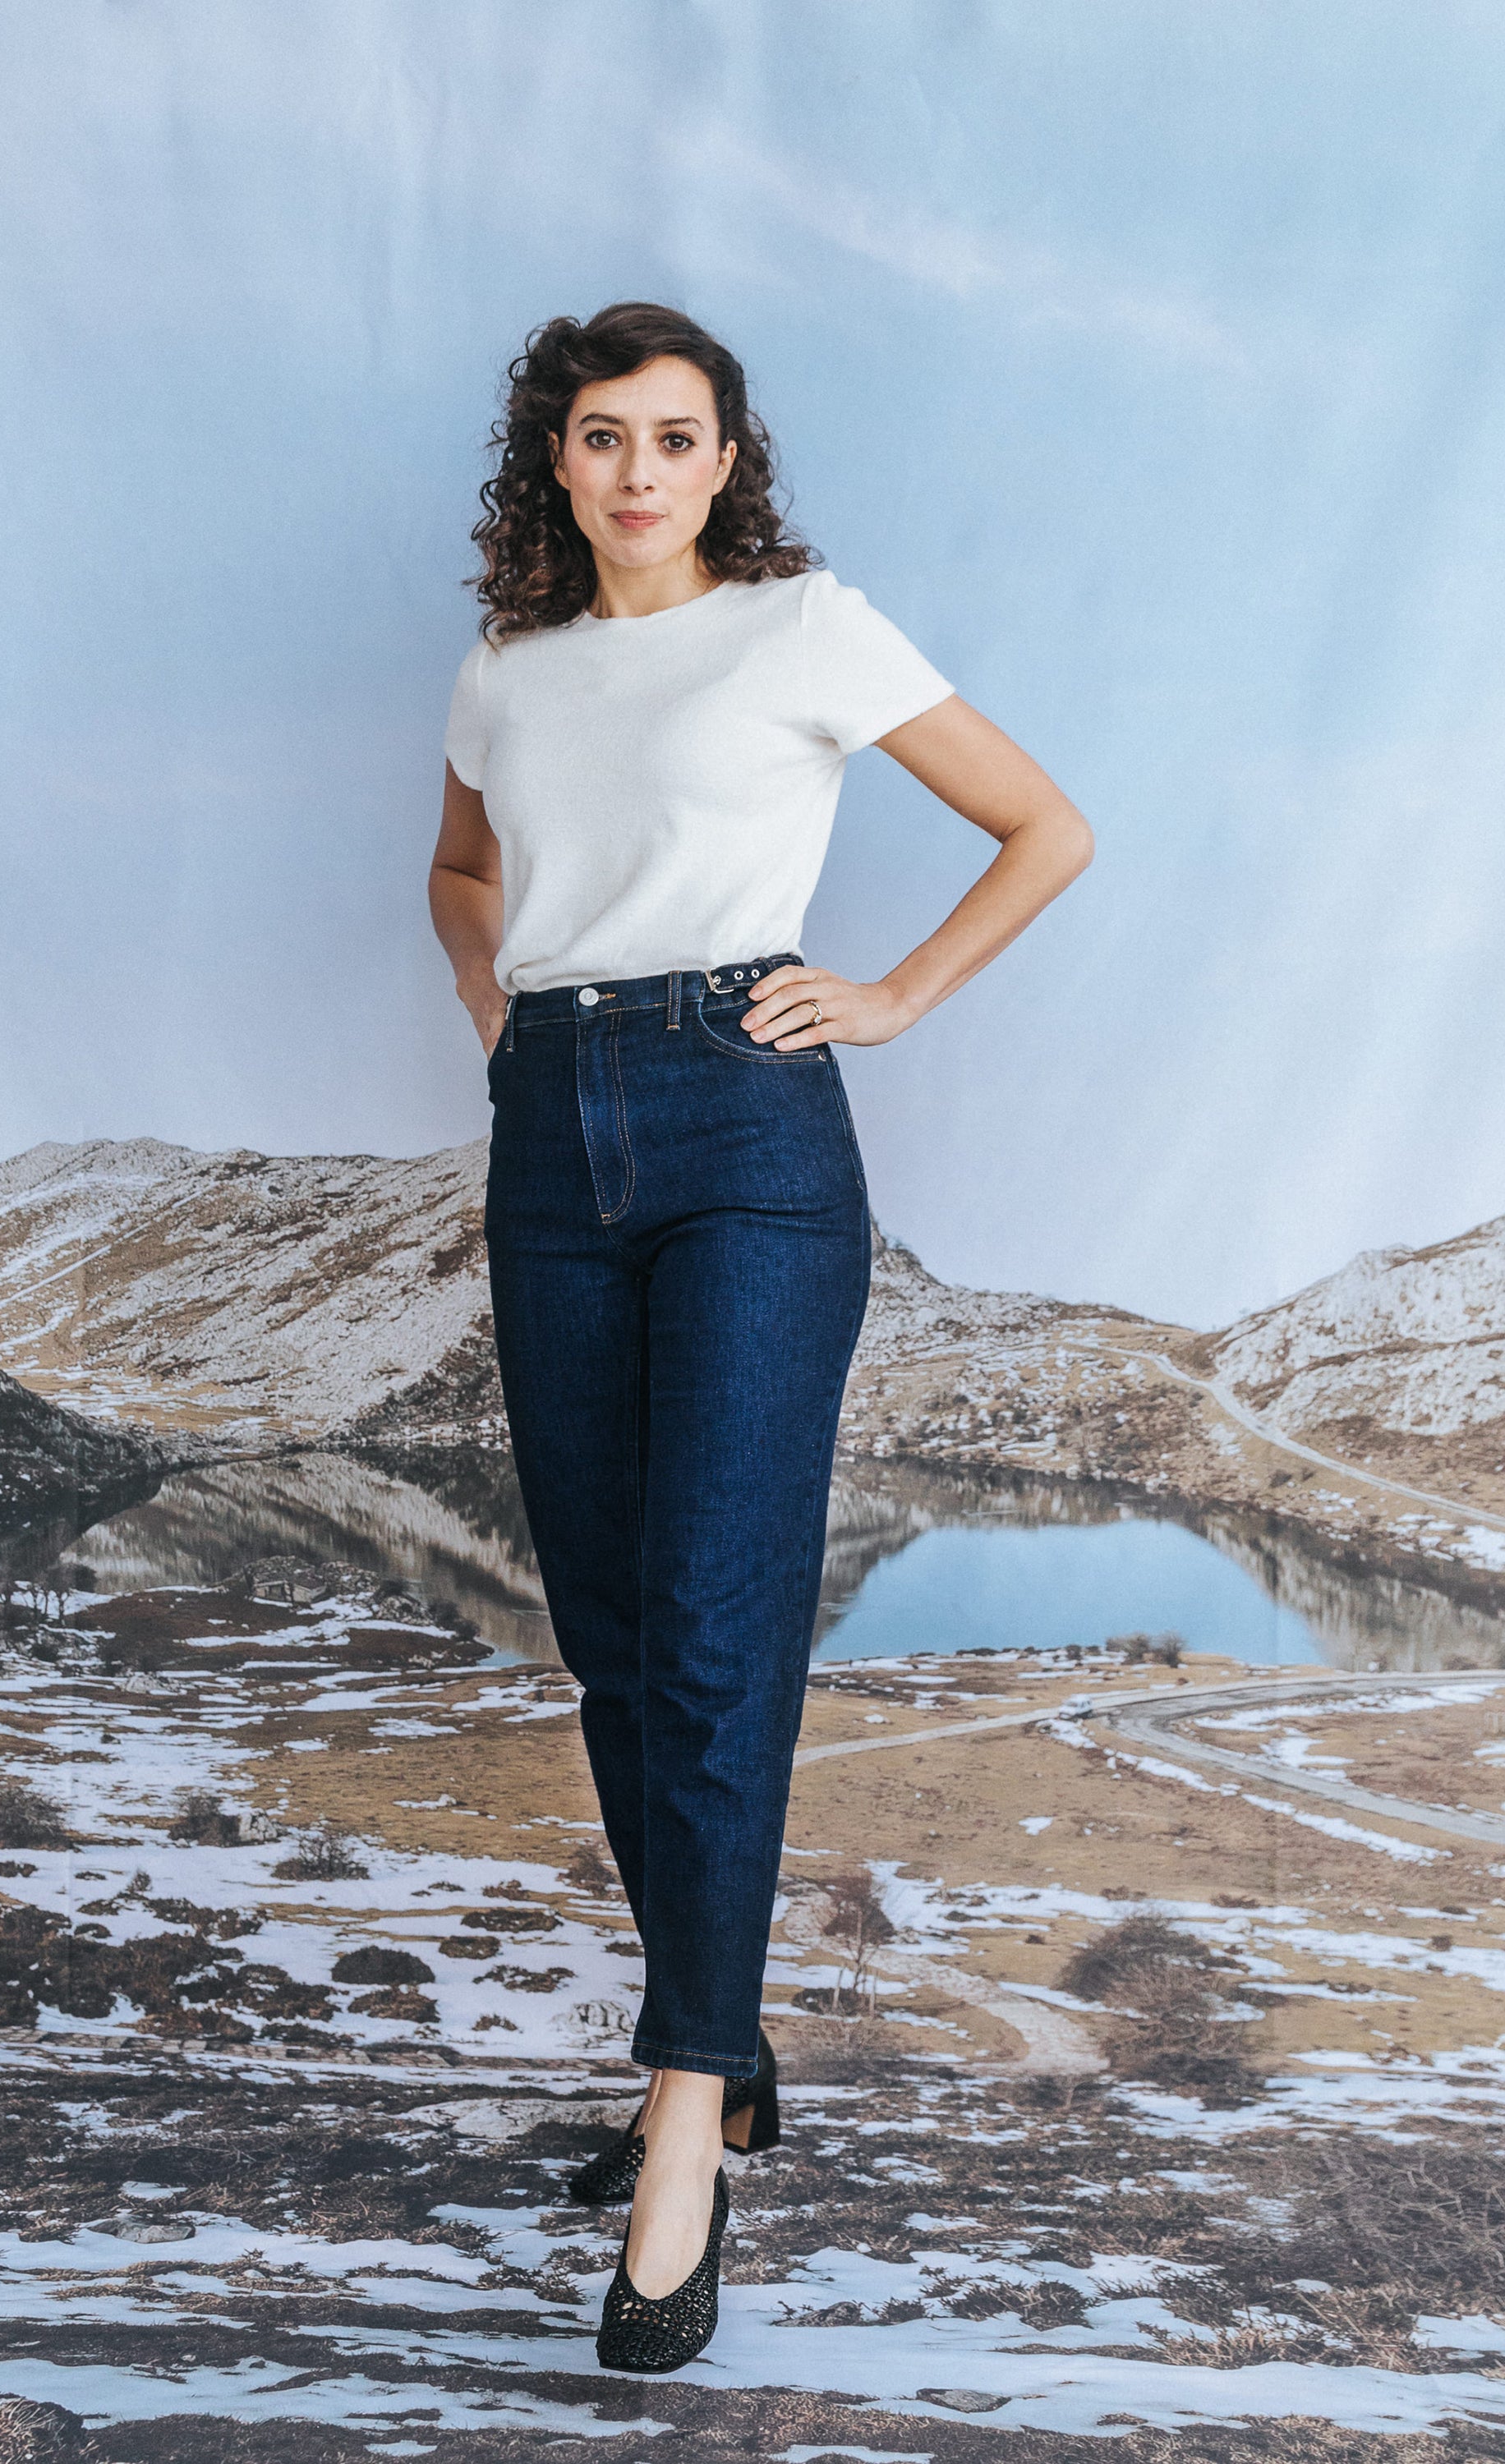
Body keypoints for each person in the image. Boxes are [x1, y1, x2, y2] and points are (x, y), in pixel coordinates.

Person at [429, 300, 1093, 2373]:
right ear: (554, 462)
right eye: (600, 435)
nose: (636, 471)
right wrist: (505, 1017)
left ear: (727, 463)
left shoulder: (804, 628)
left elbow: (1044, 825)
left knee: (715, 1633)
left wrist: (885, 998)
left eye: (674, 437)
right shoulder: (508, 667)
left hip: (748, 1131)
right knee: (614, 1635)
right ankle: (722, 2052)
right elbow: (458, 870)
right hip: (555, 1134)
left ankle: (681, 2130)